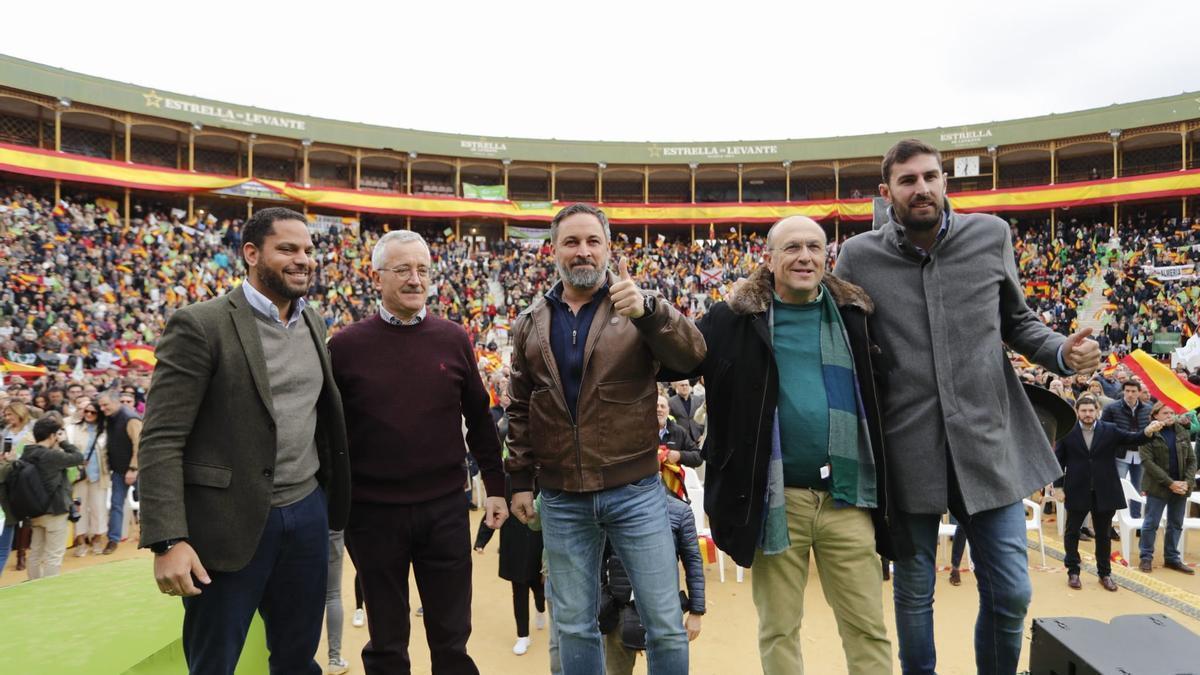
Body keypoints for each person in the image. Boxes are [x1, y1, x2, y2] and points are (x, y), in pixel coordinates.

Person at [834, 139, 1101, 675]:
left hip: (987, 444)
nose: (922, 188)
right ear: (888, 194)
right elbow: (844, 343)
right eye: (908, 181)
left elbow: (1017, 321)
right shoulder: (858, 256)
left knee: (1012, 592)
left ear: (945, 181)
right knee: (913, 594)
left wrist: (1061, 352)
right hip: (908, 449)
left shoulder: (991, 235)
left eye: (931, 176)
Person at [665, 215, 902, 674]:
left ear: (827, 257)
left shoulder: (856, 317)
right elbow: (675, 358)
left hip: (847, 498)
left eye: (814, 247)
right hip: (775, 500)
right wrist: (648, 314)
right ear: (769, 259)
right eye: (792, 247)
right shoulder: (731, 320)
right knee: (778, 629)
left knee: (868, 627)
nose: (805, 257)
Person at [138, 207, 352, 674]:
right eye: (288, 249)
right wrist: (167, 539)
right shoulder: (200, 324)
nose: (303, 260)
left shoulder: (313, 321)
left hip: (306, 514)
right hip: (227, 524)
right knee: (215, 662)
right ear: (251, 254)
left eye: (308, 250)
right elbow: (161, 438)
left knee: (297, 657)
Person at [506, 203, 705, 675]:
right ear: (553, 250)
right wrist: (518, 479)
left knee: (663, 623)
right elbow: (519, 406)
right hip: (560, 496)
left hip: (634, 491)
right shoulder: (530, 321)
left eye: (593, 241)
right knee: (573, 624)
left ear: (609, 247)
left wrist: (650, 313)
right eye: (571, 242)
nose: (583, 251)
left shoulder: (639, 304)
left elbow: (695, 356)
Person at [329, 229, 507, 675]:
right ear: (377, 277)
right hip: (372, 516)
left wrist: (497, 487)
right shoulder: (344, 347)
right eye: (403, 269)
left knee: (452, 639)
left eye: (423, 270)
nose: (415, 279)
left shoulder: (453, 338)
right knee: (387, 644)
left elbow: (480, 421)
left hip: (445, 510)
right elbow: (326, 433)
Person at [1054, 396, 1161, 590]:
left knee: (1103, 535)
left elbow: (1132, 438)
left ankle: (1105, 573)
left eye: (1091, 410)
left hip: (1105, 490)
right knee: (1072, 532)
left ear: (1097, 411)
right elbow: (1058, 461)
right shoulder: (1067, 431)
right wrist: (1058, 486)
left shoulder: (1109, 430)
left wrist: (1147, 431)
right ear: (1078, 412)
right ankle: (1073, 572)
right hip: (1077, 489)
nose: (1087, 414)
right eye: (1084, 411)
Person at [601, 489, 705, 675]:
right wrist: (601, 601)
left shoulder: (679, 511)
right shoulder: (610, 506)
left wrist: (696, 611)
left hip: (665, 612)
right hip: (617, 610)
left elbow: (693, 562)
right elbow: (598, 557)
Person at [473, 480, 547, 656]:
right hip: (514, 546)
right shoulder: (508, 482)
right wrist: (481, 540)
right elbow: (493, 512)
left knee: (539, 588)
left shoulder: (544, 480)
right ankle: (523, 636)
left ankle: (540, 609)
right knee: (519, 591)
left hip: (538, 545)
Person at [16, 415, 85, 579]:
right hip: (55, 510)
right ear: (53, 435)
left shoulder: (26, 453)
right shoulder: (52, 456)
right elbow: (78, 457)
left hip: (34, 510)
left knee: (36, 552)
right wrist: (64, 442)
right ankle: (49, 588)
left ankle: (33, 584)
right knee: (53, 554)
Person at [1138, 401, 1196, 575]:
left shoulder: (1181, 431)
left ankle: (1172, 558)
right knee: (1151, 523)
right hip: (1158, 487)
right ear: (1155, 415)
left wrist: (1187, 481)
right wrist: (1170, 483)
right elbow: (1147, 462)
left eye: (1171, 413)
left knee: (1176, 523)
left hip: (1181, 487)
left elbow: (1192, 460)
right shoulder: (1149, 434)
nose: (1170, 416)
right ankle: (1146, 557)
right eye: (1165, 413)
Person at [96, 388, 142, 554]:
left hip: (136, 470)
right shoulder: (110, 418)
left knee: (146, 504)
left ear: (115, 401)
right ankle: (113, 540)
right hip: (118, 470)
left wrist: (133, 469)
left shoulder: (131, 419)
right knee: (116, 505)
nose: (102, 409)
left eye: (105, 405)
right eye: (100, 406)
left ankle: (149, 535)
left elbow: (139, 445)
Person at [1101, 379, 1152, 520]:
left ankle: (1135, 518)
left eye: (1133, 391)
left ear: (1139, 392)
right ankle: (1116, 519)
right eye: (1127, 391)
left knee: (1138, 489)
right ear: (1123, 391)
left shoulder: (1148, 409)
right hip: (1120, 453)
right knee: (1119, 487)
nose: (1130, 394)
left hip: (1141, 454)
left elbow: (1151, 433)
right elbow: (1104, 429)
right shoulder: (1112, 408)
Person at [66, 398, 107, 557]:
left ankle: (97, 539)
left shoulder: (105, 430)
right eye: (86, 411)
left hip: (99, 476)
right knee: (79, 509)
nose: (89, 414)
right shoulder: (72, 429)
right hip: (78, 476)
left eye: (93, 412)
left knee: (98, 509)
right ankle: (81, 541)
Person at [1, 400, 36, 573]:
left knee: (25, 516)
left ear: (20, 413)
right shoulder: (6, 431)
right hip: (8, 474)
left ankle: (21, 554)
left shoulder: (30, 430)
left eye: (10, 414)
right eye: (6, 415)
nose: (7, 418)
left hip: (24, 474)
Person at [325, 530, 351, 675]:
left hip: (307, 526)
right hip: (333, 531)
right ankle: (334, 659)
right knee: (333, 595)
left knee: (306, 595)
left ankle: (304, 658)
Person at [656, 395, 702, 468]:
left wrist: (680, 455)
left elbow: (698, 457)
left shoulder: (679, 431)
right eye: (656, 406)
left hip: (673, 478)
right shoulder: (640, 432)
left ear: (668, 410)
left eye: (662, 406)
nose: (659, 409)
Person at [667, 381, 705, 445]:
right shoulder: (670, 402)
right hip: (681, 438)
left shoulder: (698, 399)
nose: (684, 387)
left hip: (698, 437)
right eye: (682, 385)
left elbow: (703, 419)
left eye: (686, 385)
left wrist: (703, 435)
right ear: (677, 387)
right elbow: (669, 421)